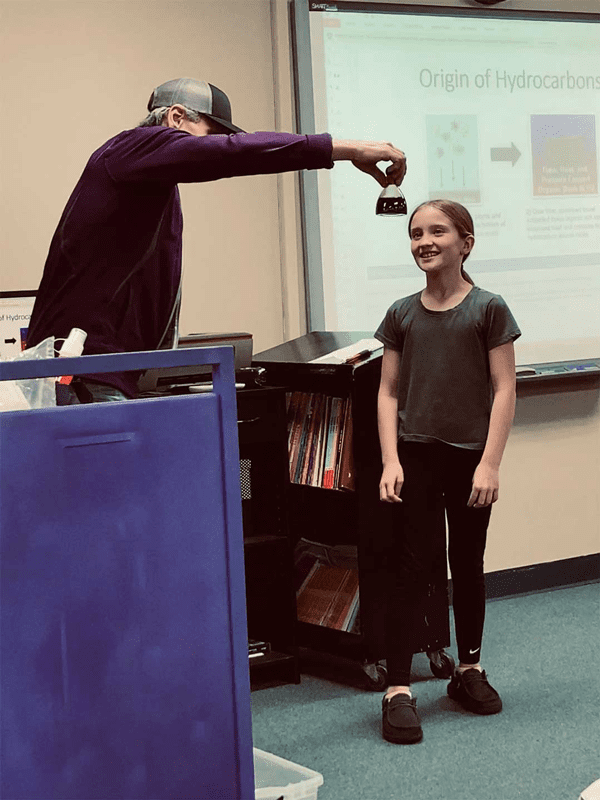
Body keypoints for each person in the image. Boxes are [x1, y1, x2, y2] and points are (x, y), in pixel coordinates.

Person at [25, 77, 407, 404]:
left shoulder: (148, 179)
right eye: (212, 134)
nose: (216, 147)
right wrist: (344, 149)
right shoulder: (134, 146)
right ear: (176, 117)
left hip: (99, 372)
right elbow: (231, 156)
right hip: (81, 371)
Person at [374, 199, 521, 745]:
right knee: (411, 567)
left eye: (437, 231)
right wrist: (391, 459)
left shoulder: (488, 308)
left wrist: (490, 462)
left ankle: (469, 669)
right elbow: (388, 392)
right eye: (415, 233)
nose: (424, 241)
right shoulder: (400, 313)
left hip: (469, 459)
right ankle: (396, 687)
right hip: (414, 455)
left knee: (467, 560)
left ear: (467, 242)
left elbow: (505, 389)